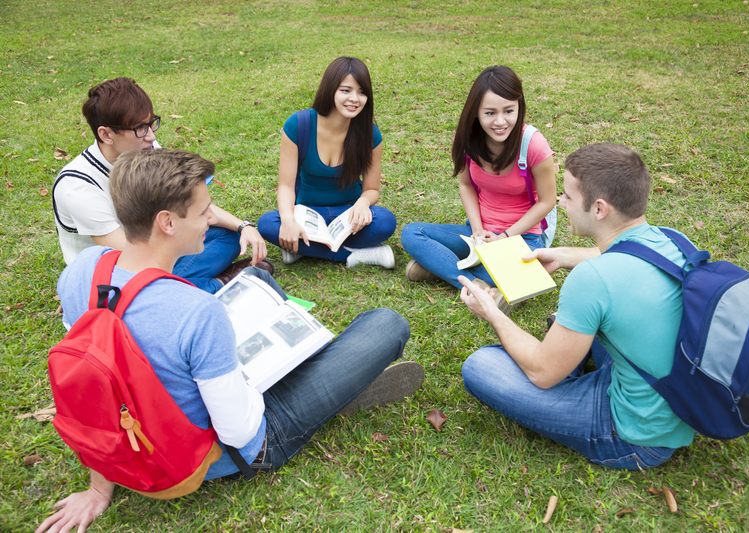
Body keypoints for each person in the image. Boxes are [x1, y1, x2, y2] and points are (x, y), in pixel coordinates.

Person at [36, 149, 423, 533]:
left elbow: (95, 383)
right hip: (236, 450)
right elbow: (239, 431)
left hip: (144, 426)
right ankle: (333, 386)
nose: (211, 219)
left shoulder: (83, 270)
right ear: (167, 222)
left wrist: (98, 489)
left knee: (255, 280)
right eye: (203, 211)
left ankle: (323, 372)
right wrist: (242, 370)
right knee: (387, 324)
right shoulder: (197, 312)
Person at [459, 143, 695, 470]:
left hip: (634, 434)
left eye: (568, 196)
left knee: (479, 366)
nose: (560, 202)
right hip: (677, 399)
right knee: (593, 318)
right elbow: (620, 256)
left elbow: (543, 374)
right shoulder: (672, 240)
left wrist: (492, 312)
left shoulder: (593, 279)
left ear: (599, 209)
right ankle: (570, 345)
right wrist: (564, 255)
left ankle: (567, 354)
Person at [52, 77, 271, 294]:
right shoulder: (79, 186)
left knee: (227, 234)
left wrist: (244, 226)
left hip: (155, 242)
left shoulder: (145, 150)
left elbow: (191, 205)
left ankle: (192, 284)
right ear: (106, 134)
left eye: (151, 123)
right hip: (117, 273)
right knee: (149, 288)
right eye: (139, 128)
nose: (151, 136)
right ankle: (221, 283)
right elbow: (130, 257)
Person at [401, 66, 557, 299]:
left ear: (519, 107)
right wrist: (476, 230)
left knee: (525, 280)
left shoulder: (533, 144)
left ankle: (440, 267)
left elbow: (547, 201)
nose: (500, 121)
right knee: (412, 233)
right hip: (479, 237)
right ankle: (477, 284)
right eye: (490, 113)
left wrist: (504, 237)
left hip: (521, 238)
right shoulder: (466, 141)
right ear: (476, 112)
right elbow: (465, 185)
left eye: (509, 111)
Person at [257, 57, 396, 269]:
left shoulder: (370, 134)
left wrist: (362, 203)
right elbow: (285, 186)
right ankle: (356, 255)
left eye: (362, 92)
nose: (354, 99)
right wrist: (287, 220)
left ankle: (303, 249)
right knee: (268, 224)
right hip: (307, 213)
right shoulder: (299, 125)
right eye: (346, 90)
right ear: (331, 89)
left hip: (349, 217)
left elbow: (371, 189)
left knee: (385, 221)